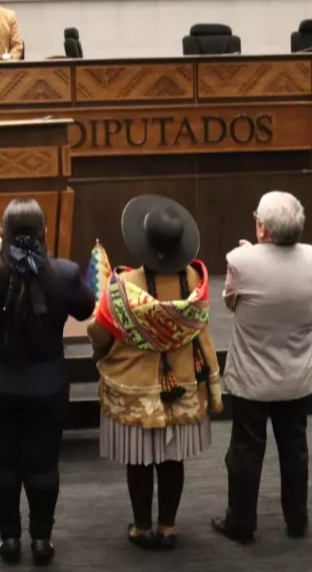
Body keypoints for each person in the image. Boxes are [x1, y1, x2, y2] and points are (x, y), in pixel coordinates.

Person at [0, 176, 95, 564]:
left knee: (2, 460)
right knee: (43, 462)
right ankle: (41, 540)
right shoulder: (63, 272)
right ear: (44, 232)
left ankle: (9, 538)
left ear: (2, 233)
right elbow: (85, 308)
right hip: (47, 386)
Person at [89, 195, 223, 550]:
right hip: (182, 386)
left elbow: (99, 331)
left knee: (139, 461)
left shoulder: (123, 286)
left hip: (136, 388)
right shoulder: (195, 279)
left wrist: (100, 355)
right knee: (172, 459)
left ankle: (142, 527)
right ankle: (168, 526)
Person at [211, 192, 312, 544]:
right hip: (296, 376)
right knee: (295, 449)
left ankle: (241, 522)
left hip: (252, 380)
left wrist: (248, 257)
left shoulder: (240, 260)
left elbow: (231, 302)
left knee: (245, 450)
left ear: (261, 229)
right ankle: (296, 520)